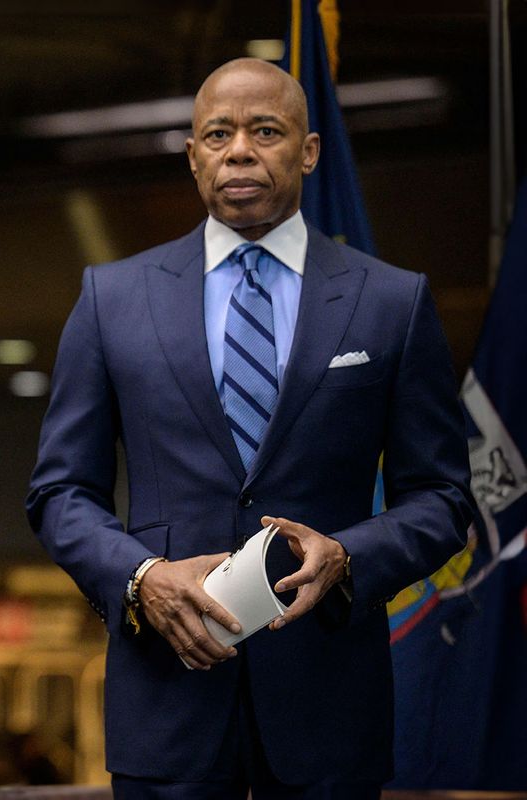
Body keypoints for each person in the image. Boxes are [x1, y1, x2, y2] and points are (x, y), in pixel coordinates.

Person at [26, 58, 473, 798]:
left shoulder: (392, 302)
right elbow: (59, 491)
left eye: (265, 131)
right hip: (166, 700)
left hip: (329, 704)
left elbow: (444, 497)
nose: (240, 150)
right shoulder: (112, 298)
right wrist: (142, 579)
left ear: (308, 151)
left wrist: (348, 555)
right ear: (194, 153)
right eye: (218, 134)